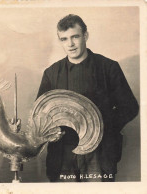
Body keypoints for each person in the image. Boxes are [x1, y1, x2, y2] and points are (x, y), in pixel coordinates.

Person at [37, 14, 139, 182]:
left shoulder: (108, 67)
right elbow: (41, 115)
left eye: (75, 37)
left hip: (99, 153)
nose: (70, 44)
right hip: (63, 154)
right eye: (64, 39)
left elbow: (130, 107)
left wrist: (99, 125)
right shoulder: (51, 73)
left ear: (85, 36)